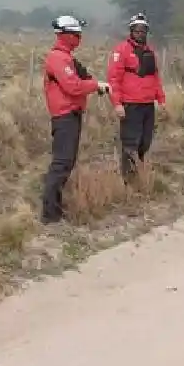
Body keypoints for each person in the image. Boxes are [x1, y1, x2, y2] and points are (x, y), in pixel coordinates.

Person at [40, 15, 107, 224]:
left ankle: (55, 208)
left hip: (71, 114)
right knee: (61, 163)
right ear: (67, 35)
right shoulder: (58, 58)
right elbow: (73, 86)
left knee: (66, 163)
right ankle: (50, 215)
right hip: (64, 116)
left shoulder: (66, 57)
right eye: (76, 33)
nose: (79, 37)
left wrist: (93, 84)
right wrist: (95, 86)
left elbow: (79, 81)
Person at [107, 12, 166, 182]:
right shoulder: (121, 50)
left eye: (143, 31)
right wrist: (117, 104)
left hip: (148, 104)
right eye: (137, 30)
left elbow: (155, 77)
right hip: (130, 104)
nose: (140, 34)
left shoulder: (150, 51)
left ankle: (138, 170)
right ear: (131, 31)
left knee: (145, 142)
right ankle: (128, 179)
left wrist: (161, 99)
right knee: (130, 143)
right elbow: (114, 79)